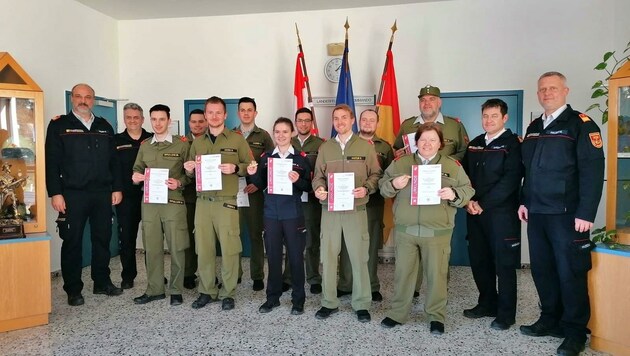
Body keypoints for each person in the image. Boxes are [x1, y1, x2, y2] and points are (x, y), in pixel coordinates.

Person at [518, 72, 604, 356]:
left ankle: (575, 331)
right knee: (542, 271)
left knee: (571, 274)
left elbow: (592, 171)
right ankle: (550, 319)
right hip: (537, 213)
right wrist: (524, 201)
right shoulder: (533, 126)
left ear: (565, 90)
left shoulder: (581, 124)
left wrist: (586, 212)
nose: (547, 93)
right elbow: (528, 171)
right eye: (542, 89)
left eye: (553, 88)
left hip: (568, 215)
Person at [379, 123, 474, 334]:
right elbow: (383, 188)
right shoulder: (401, 163)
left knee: (437, 275)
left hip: (437, 233)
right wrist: (394, 185)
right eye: (423, 140)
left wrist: (455, 195)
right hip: (406, 231)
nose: (427, 144)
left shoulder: (452, 166)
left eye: (433, 140)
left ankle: (436, 316)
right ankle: (398, 313)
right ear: (416, 142)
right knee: (403, 274)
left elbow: (468, 189)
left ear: (440, 143)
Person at [45, 83, 124, 306]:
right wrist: (55, 193)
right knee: (72, 241)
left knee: (102, 239)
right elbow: (51, 162)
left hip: (101, 193)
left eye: (88, 97)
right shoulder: (59, 125)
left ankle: (102, 282)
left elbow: (114, 162)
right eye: (78, 96)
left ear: (93, 100)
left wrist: (117, 188)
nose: (83, 100)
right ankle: (73, 289)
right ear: (72, 99)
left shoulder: (104, 126)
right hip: (72, 194)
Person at [392, 85, 469, 296]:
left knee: (437, 259)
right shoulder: (408, 124)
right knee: (409, 259)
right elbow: (396, 150)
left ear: (439, 102)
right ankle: (412, 291)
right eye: (423, 99)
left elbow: (465, 153)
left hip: (441, 199)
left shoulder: (454, 125)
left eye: (432, 99)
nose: (427, 103)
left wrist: (448, 174)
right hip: (411, 198)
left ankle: (438, 297)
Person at [311, 104, 382, 323]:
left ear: (352, 120)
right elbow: (317, 176)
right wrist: (318, 189)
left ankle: (361, 303)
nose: (340, 122)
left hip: (356, 209)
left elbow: (376, 174)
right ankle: (328, 302)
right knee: (329, 257)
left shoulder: (365, 146)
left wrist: (367, 188)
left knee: (359, 257)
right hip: (330, 211)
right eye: (336, 118)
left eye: (344, 117)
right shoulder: (326, 147)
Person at [184, 96, 252, 311]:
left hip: (226, 202)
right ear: (205, 115)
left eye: (218, 112)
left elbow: (250, 165)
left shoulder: (237, 139)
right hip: (203, 202)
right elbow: (190, 174)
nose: (213, 116)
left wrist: (236, 169)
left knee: (230, 249)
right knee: (203, 249)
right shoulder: (197, 142)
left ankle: (228, 292)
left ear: (225, 115)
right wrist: (189, 169)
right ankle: (206, 290)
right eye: (210, 112)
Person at [461, 99, 522, 330]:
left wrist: (482, 203)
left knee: (504, 264)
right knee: (480, 260)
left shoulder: (513, 144)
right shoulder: (475, 144)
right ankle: (486, 303)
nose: (489, 120)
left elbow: (511, 180)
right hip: (474, 213)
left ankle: (506, 314)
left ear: (504, 118)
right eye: (485, 116)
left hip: (501, 215)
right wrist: (467, 201)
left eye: (494, 116)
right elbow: (463, 176)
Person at [247, 117, 312, 315]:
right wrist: (251, 173)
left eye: (285, 131)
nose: (281, 135)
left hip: (293, 213)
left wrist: (298, 180)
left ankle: (298, 300)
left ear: (291, 133)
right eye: (277, 132)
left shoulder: (301, 158)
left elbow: (308, 187)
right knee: (273, 257)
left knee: (295, 258)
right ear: (273, 134)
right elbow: (258, 183)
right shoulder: (266, 157)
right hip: (271, 213)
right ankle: (272, 298)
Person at [131, 104, 190, 306]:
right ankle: (155, 289)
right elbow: (137, 168)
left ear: (169, 121)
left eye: (161, 119)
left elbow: (190, 173)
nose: (157, 123)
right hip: (150, 204)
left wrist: (180, 181)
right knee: (152, 248)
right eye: (154, 119)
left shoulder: (181, 144)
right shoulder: (145, 145)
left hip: (173, 201)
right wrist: (136, 176)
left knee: (177, 247)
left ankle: (175, 289)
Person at [337, 109, 393, 302]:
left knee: (369, 245)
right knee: (346, 243)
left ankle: (371, 284)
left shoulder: (384, 147)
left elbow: (387, 175)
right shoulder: (346, 143)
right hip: (346, 203)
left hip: (372, 204)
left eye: (372, 120)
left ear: (377, 123)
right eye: (364, 119)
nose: (368, 123)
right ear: (357, 122)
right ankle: (345, 284)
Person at [233, 97, 274, 291]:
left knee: (256, 234)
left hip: (254, 193)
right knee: (233, 234)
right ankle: (235, 273)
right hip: (233, 192)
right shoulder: (230, 135)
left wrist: (259, 184)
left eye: (250, 110)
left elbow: (271, 165)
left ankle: (257, 275)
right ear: (238, 113)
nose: (246, 113)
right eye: (242, 110)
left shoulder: (264, 136)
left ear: (255, 113)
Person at [283, 107, 324, 294]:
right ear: (295, 122)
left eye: (307, 120)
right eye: (300, 120)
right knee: (291, 239)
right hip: (290, 199)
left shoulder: (321, 144)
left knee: (312, 240)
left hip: (312, 199)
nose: (304, 124)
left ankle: (314, 277)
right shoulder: (286, 143)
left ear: (312, 123)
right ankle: (288, 277)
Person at [114, 103, 153, 290]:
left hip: (151, 196)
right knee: (127, 238)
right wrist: (116, 190)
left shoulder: (152, 139)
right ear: (124, 119)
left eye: (136, 117)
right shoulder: (116, 140)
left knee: (152, 238)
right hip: (126, 197)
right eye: (128, 117)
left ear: (142, 119)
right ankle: (128, 276)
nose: (132, 120)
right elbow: (112, 169)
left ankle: (155, 276)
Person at [182, 108, 208, 289]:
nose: (197, 125)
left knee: (208, 239)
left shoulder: (212, 141)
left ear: (206, 122)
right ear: (189, 123)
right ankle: (189, 273)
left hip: (208, 197)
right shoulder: (182, 143)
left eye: (201, 121)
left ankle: (208, 275)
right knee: (189, 238)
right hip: (189, 197)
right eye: (194, 122)